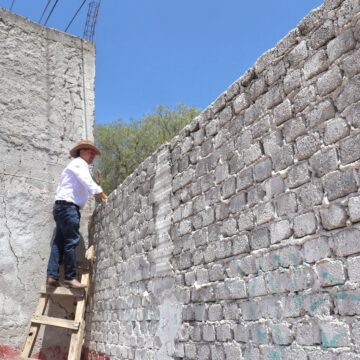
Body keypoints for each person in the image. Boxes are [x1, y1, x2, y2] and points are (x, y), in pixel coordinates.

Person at [46, 140, 108, 288]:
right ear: (81, 152)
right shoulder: (79, 164)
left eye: (93, 153)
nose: (92, 155)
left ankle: (52, 275)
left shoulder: (75, 165)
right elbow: (86, 180)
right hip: (68, 207)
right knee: (71, 242)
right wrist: (101, 193)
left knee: (58, 242)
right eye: (90, 152)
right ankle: (70, 277)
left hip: (61, 206)